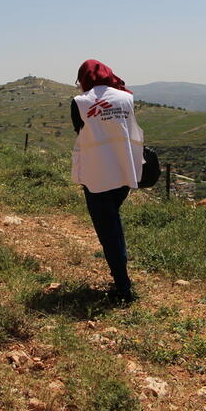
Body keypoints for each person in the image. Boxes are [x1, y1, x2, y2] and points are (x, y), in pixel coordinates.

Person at [71, 59, 144, 303]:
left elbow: (79, 131)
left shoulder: (80, 103)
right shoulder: (126, 98)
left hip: (97, 176)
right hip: (125, 172)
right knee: (113, 223)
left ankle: (123, 288)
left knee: (109, 231)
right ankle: (121, 275)